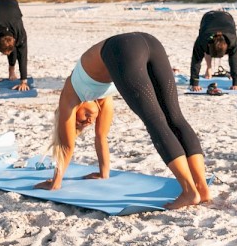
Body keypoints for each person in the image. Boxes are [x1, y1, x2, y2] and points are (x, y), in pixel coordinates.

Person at [37, 31, 210, 210]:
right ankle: (202, 189)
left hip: (122, 49)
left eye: (78, 121)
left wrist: (55, 182)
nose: (86, 122)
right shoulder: (102, 97)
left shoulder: (69, 95)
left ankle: (190, 191)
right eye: (83, 125)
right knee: (174, 117)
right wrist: (104, 173)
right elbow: (101, 136)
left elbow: (66, 146)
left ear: (73, 113)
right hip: (149, 42)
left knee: (155, 121)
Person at [189, 11, 237, 91]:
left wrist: (236, 83)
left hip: (227, 17)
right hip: (208, 18)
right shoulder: (202, 41)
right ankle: (209, 68)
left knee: (233, 59)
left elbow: (235, 62)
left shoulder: (233, 41)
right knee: (203, 50)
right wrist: (194, 83)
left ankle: (213, 68)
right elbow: (196, 61)